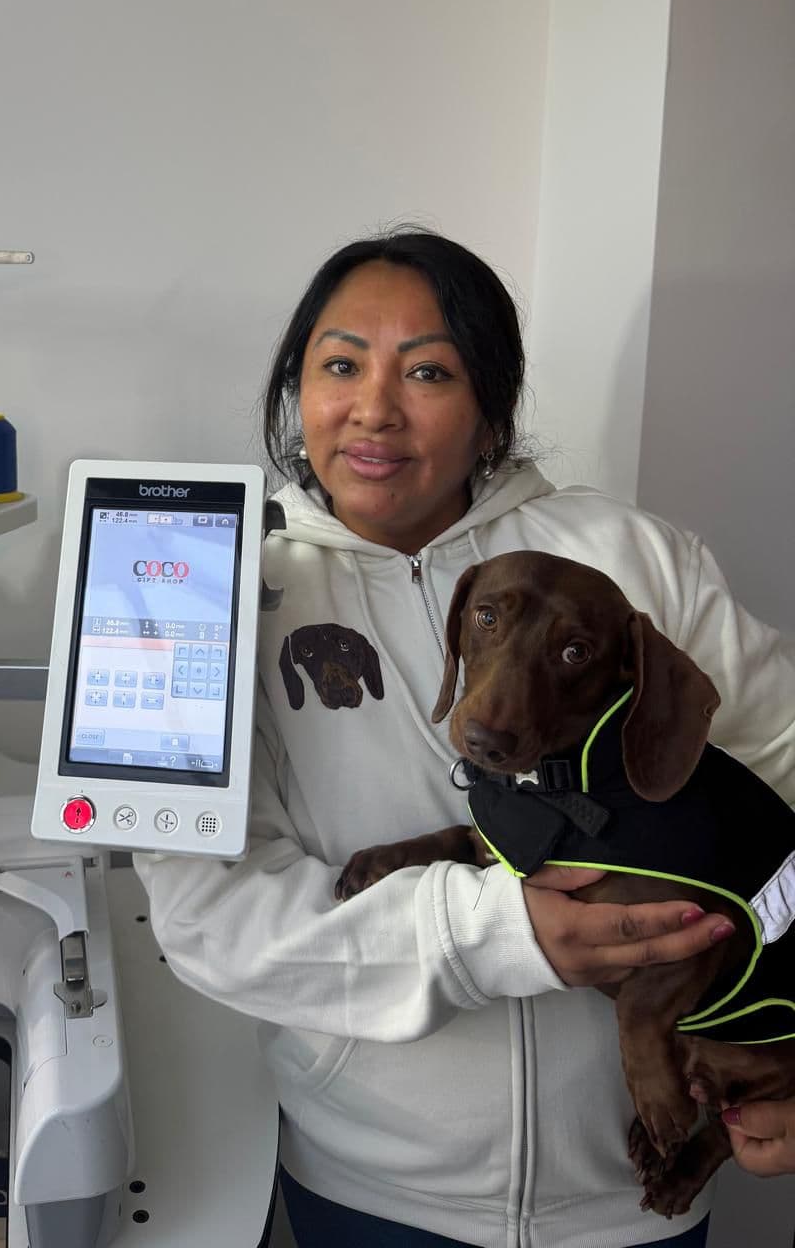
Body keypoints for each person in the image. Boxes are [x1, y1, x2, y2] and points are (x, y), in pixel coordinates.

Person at [135, 228, 795, 1248]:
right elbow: (207, 917)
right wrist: (494, 933)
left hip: (638, 1197)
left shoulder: (631, 560)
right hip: (375, 1193)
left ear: (491, 410)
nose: (374, 408)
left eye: (429, 371)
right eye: (341, 364)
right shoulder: (199, 583)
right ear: (295, 392)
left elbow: (787, 770)